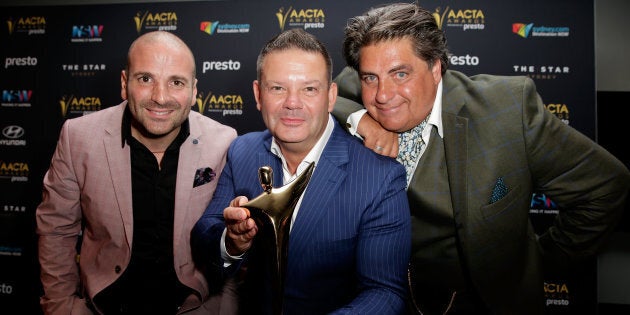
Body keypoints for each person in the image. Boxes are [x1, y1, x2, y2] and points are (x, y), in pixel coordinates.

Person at [332, 3, 630, 314]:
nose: (382, 94)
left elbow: (606, 186)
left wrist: (534, 266)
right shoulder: (358, 84)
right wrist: (358, 118)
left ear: (435, 68)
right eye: (370, 78)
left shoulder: (507, 109)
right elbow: (318, 97)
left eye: (401, 73)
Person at [190, 28, 411, 315]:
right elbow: (205, 231)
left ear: (331, 97)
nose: (292, 103)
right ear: (258, 94)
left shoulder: (380, 178)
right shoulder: (242, 151)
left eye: (309, 89)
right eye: (277, 88)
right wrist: (231, 241)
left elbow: (385, 293)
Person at [36, 31, 237, 314]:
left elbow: (237, 243)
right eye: (145, 79)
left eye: (176, 82)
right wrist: (61, 308)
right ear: (123, 83)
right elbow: (56, 229)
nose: (160, 97)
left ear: (193, 91)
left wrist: (223, 309)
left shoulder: (225, 142)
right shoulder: (78, 137)